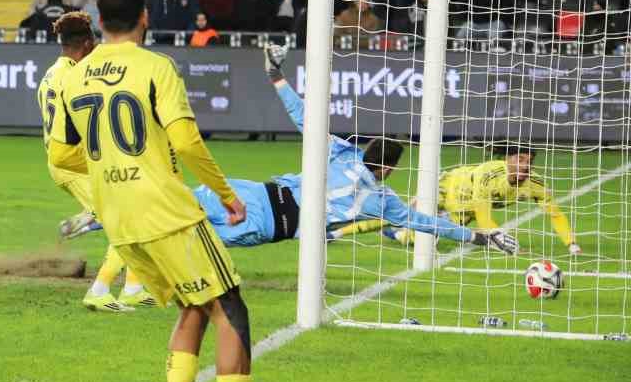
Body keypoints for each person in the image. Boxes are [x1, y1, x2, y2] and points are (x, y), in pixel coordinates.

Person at [51, 0, 279, 382]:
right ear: (145, 16)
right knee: (231, 307)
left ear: (100, 21)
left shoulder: (74, 75)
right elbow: (186, 142)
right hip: (164, 210)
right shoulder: (157, 66)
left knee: (193, 303)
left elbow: (61, 152)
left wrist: (110, 165)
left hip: (117, 218)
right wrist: (228, 197)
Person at [178, 45, 519, 257]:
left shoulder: (341, 152)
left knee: (171, 206)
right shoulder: (381, 200)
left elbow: (303, 118)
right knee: (188, 244)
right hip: (270, 224)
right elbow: (427, 223)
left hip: (255, 193)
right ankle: (140, 285)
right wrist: (480, 237)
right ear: (387, 170)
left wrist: (277, 77)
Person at [37, 12, 139, 312]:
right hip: (73, 160)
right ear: (86, 42)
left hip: (64, 161)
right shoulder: (77, 77)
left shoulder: (50, 74)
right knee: (125, 218)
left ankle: (132, 285)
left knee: (126, 211)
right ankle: (104, 288)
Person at [423, 144, 578, 255]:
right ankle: (424, 213)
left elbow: (555, 214)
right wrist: (506, 242)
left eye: (529, 161)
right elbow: (484, 219)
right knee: (420, 233)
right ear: (507, 159)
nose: (525, 166)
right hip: (450, 187)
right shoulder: (488, 175)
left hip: (466, 208)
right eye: (520, 159)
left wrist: (571, 244)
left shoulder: (536, 185)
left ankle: (401, 233)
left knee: (413, 238)